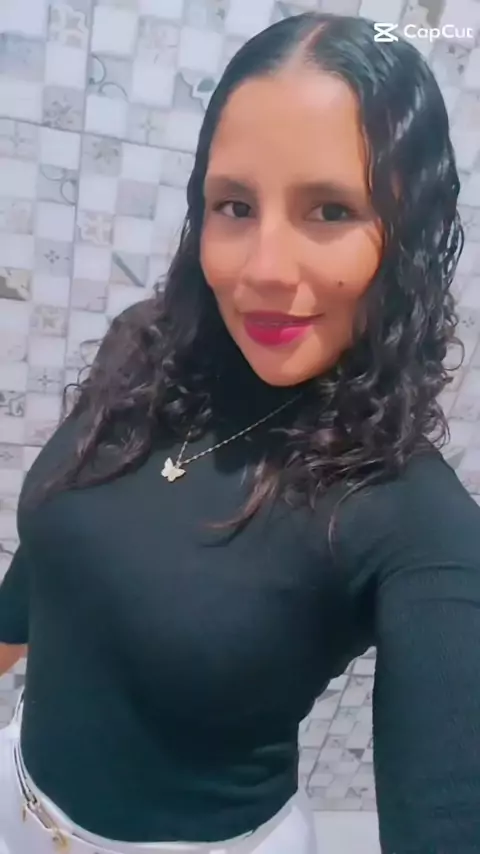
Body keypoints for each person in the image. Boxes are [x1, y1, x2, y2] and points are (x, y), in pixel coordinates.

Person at [1, 10, 479, 854]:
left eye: (329, 209)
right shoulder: (146, 350)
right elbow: (46, 558)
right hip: (15, 799)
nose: (263, 269)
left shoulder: (414, 516)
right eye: (235, 205)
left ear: (407, 237)